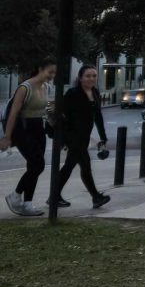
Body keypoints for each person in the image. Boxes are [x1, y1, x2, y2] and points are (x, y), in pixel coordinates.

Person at [51, 65, 110, 210]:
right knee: (85, 165)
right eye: (88, 76)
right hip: (72, 136)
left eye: (94, 76)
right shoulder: (73, 93)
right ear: (80, 77)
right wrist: (63, 139)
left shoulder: (95, 92)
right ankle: (95, 196)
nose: (91, 79)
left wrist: (103, 137)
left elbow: (98, 117)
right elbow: (61, 115)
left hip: (84, 136)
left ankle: (54, 196)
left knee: (70, 166)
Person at [2, 58, 56, 217]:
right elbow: (13, 113)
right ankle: (16, 196)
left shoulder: (46, 87)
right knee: (38, 164)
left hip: (38, 128)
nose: (52, 75)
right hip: (23, 130)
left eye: (54, 73)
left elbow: (45, 109)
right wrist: (7, 137)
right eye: (50, 72)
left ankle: (27, 203)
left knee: (35, 166)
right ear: (40, 69)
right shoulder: (25, 87)